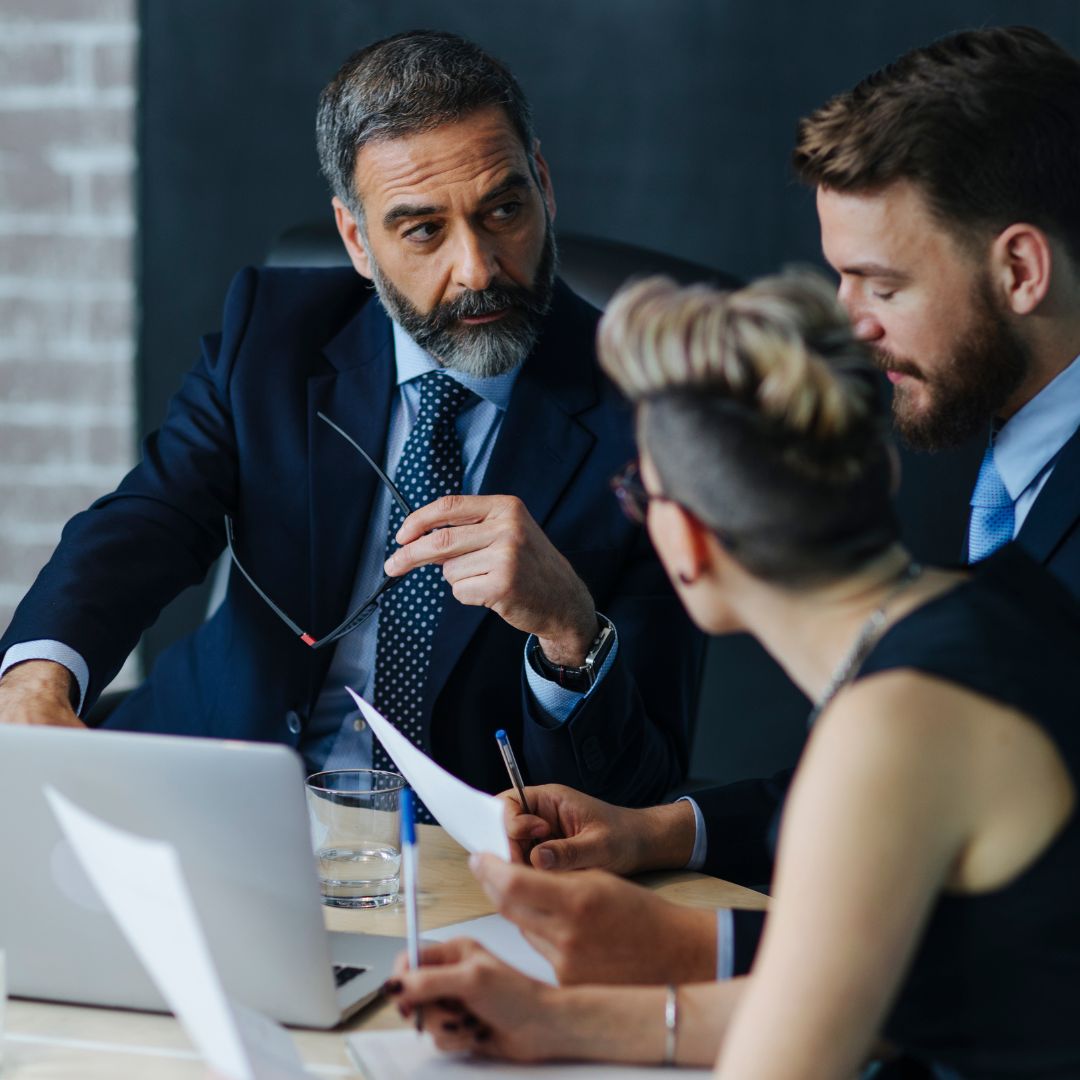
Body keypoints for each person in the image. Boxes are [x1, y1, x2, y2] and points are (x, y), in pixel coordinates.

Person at [468, 22, 1080, 987]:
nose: (847, 324)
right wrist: (664, 832)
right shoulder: (1014, 449)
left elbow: (1026, 952)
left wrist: (685, 953)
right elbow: (921, 800)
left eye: (881, 282)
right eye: (837, 274)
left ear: (1018, 271)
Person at [389, 270, 1080, 1077]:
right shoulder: (1009, 606)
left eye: (634, 492)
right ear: (876, 471)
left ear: (687, 541)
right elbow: (845, 996)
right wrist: (552, 1018)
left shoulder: (891, 729)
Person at [0, 30, 703, 807]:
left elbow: (643, 781)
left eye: (504, 209)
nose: (476, 268)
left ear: (543, 183)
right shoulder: (271, 336)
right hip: (205, 783)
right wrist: (37, 680)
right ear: (357, 241)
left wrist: (570, 630)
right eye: (424, 230)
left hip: (449, 857)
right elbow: (146, 523)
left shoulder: (653, 420)